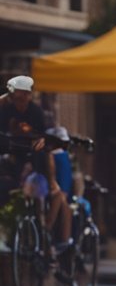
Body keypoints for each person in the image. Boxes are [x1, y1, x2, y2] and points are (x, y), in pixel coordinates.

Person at [0, 76, 73, 273]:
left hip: (35, 158)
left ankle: (44, 232)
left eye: (24, 98)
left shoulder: (36, 114)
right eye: (16, 98)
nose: (20, 102)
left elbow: (44, 149)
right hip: (12, 157)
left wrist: (49, 180)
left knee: (45, 194)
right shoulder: (6, 109)